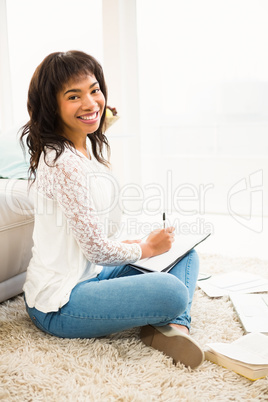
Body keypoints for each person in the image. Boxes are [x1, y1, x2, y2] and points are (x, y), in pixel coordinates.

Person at [21, 50, 204, 369]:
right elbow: (95, 249)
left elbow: (94, 237)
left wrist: (144, 246)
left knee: (185, 255)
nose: (91, 103)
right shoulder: (64, 164)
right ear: (52, 105)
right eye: (73, 95)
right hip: (60, 302)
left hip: (90, 275)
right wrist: (145, 248)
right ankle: (173, 318)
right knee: (172, 291)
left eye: (94, 90)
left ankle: (175, 328)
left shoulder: (79, 149)